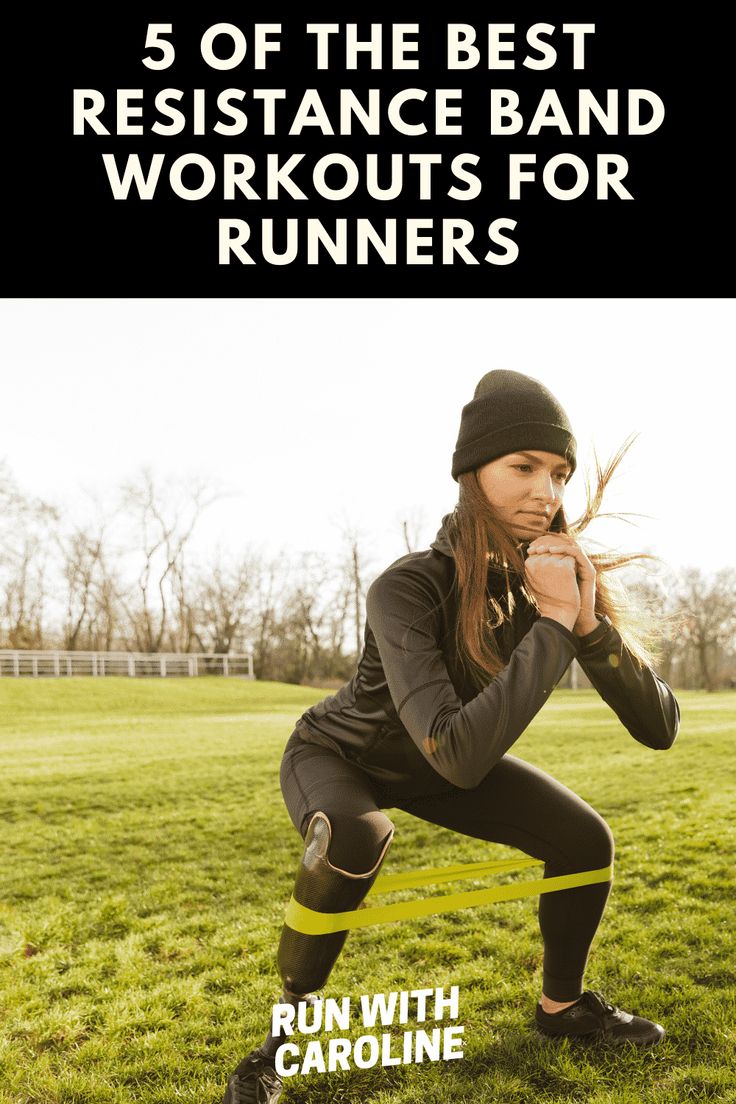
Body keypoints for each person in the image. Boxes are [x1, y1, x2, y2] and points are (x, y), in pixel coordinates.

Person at [220, 370, 680, 1104]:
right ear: (473, 475)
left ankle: (562, 1009)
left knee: (584, 842)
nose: (546, 492)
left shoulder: (548, 581)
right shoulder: (407, 586)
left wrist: (587, 624)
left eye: (558, 473)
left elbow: (660, 728)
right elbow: (461, 755)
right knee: (350, 838)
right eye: (522, 467)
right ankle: (277, 1048)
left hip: (439, 759)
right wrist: (556, 626)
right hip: (345, 756)